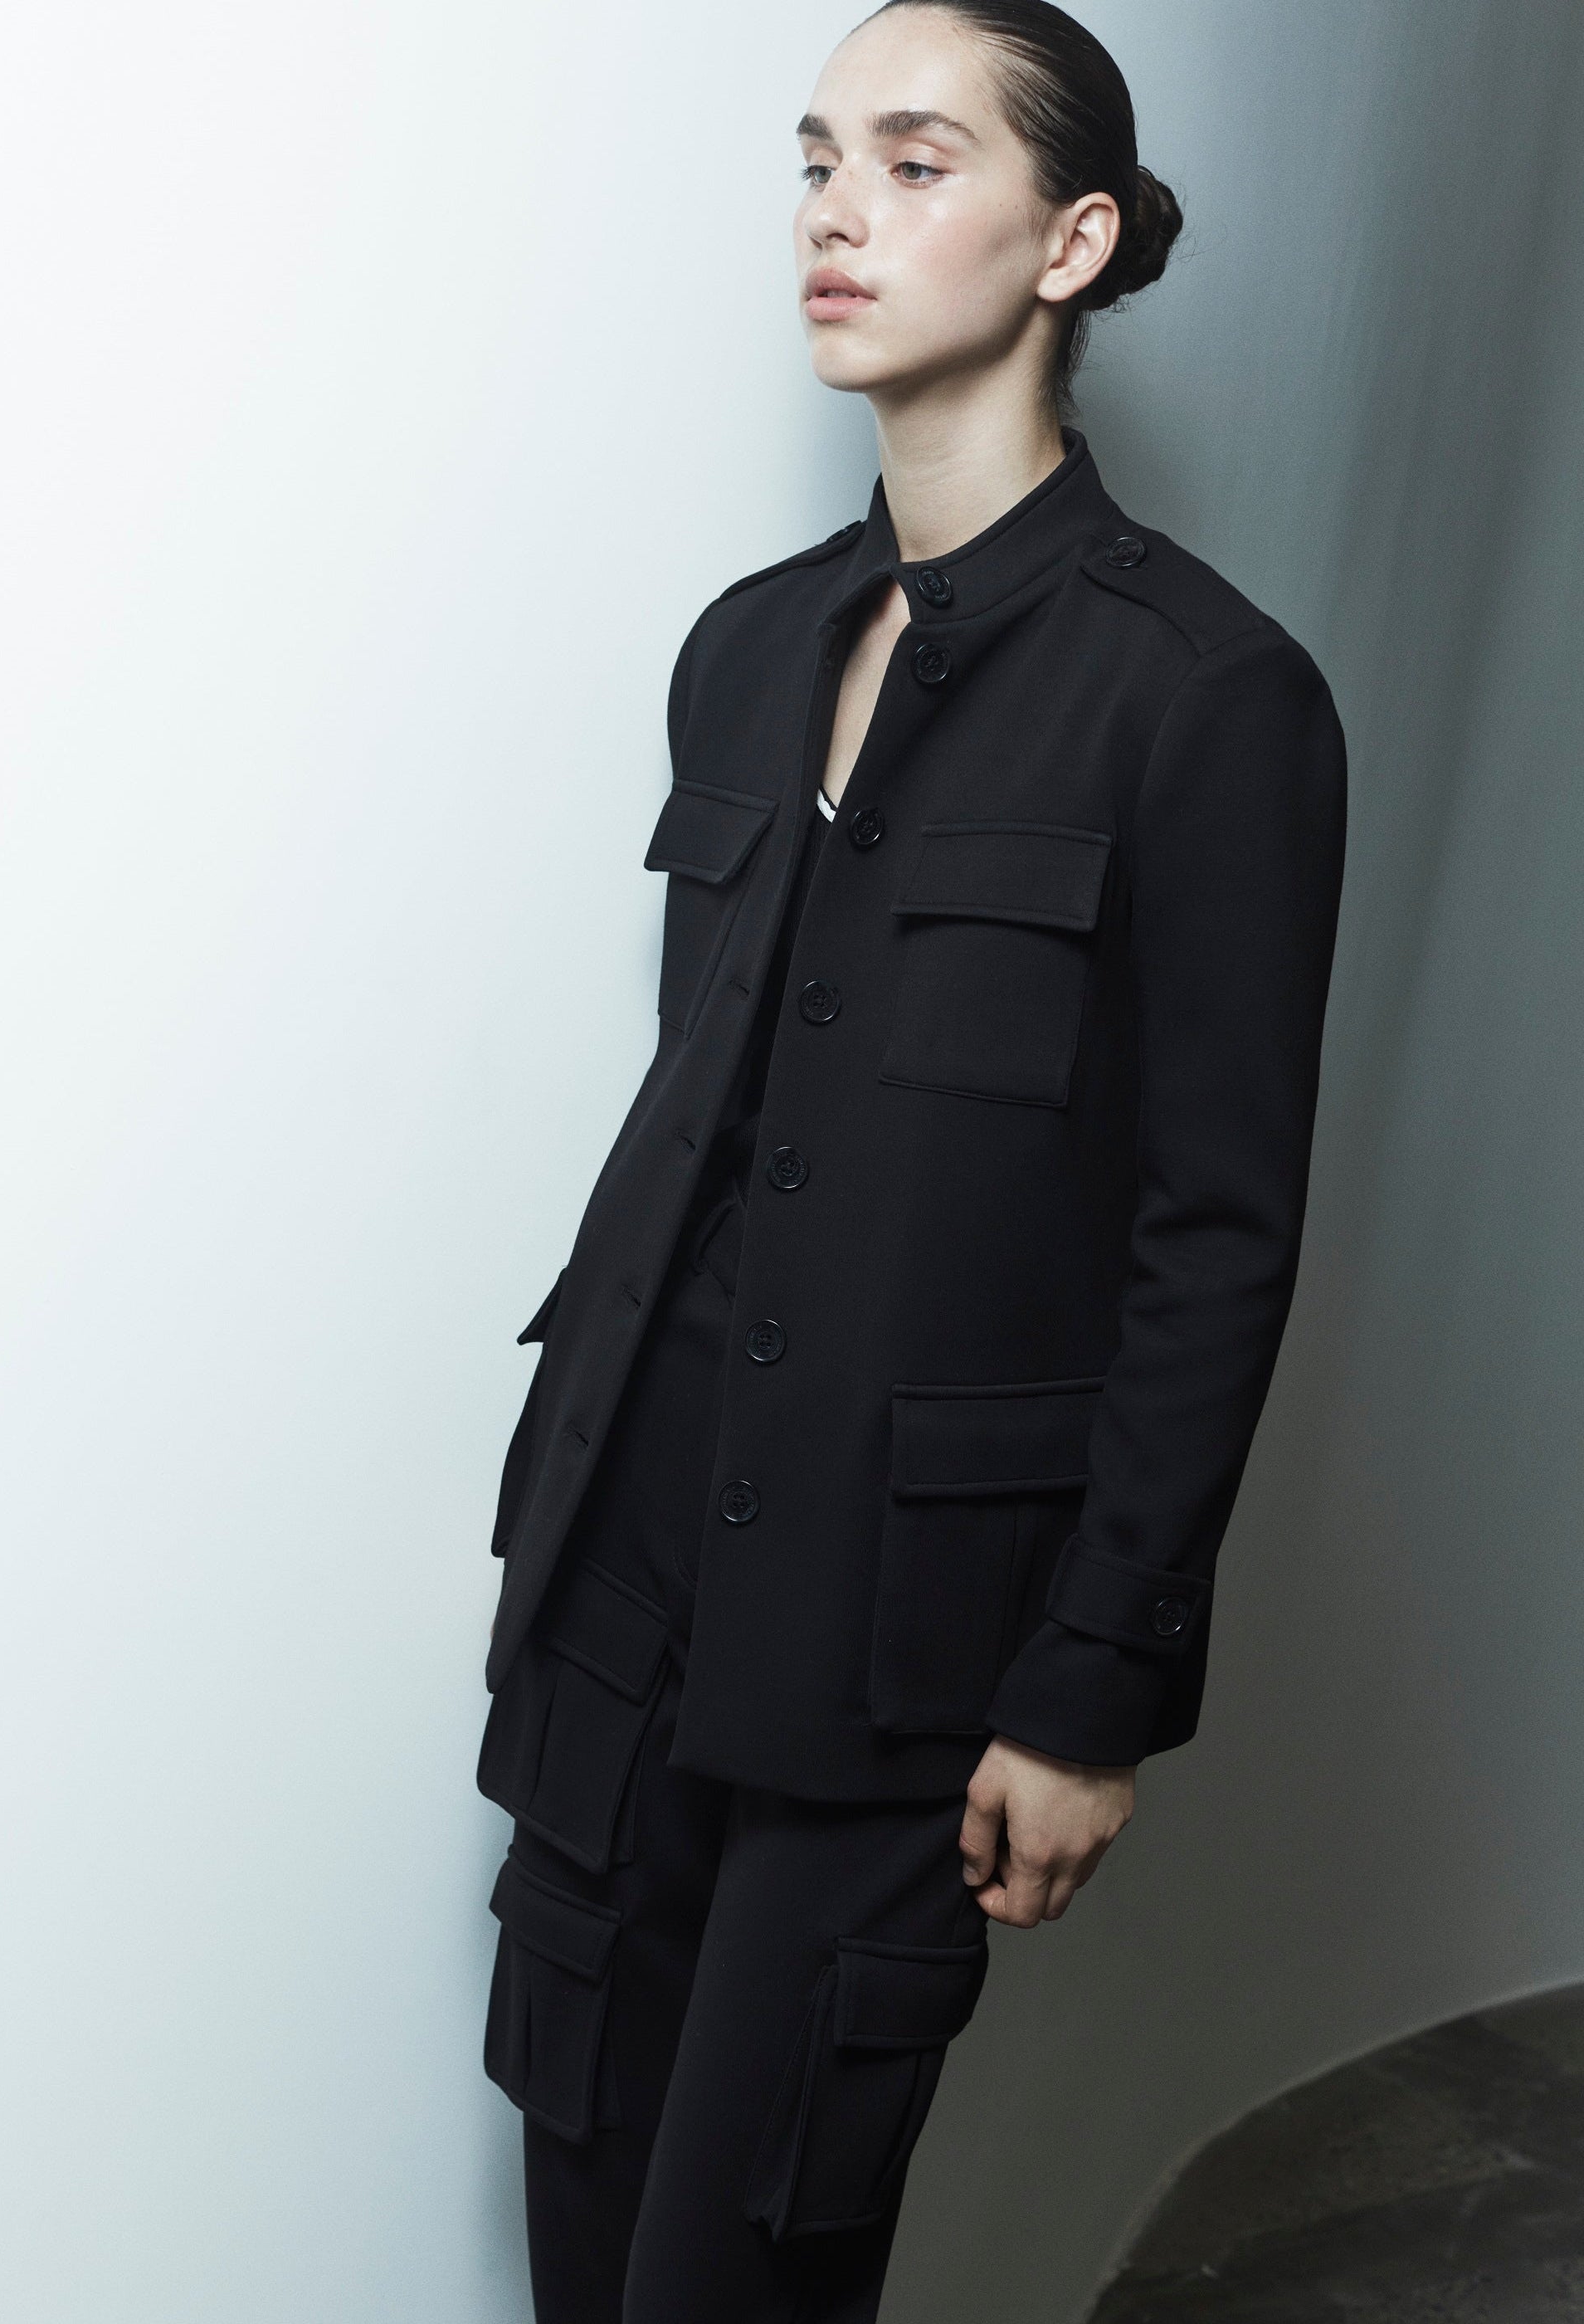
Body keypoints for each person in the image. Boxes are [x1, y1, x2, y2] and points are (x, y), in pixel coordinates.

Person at [476, 3, 1347, 2317]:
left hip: (902, 1656)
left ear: (1074, 241)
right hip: (616, 1599)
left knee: (741, 2271)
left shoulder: (1209, 699)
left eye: (917, 160)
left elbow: (1217, 1236)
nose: (837, 212)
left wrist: (1092, 1687)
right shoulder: (749, 650)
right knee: (579, 2247)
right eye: (817, 159)